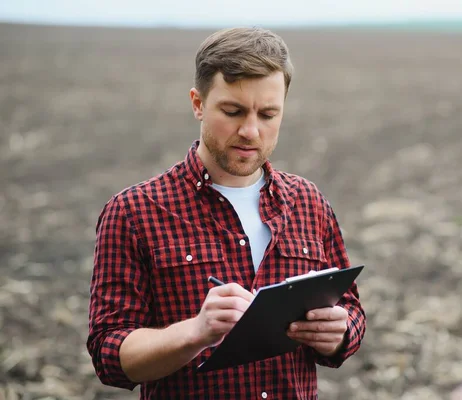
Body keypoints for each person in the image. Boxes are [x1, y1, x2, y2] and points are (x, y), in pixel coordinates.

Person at [86, 26, 366, 399]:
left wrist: (339, 332)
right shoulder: (134, 213)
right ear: (198, 103)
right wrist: (196, 332)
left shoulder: (309, 202)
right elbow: (110, 355)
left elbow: (351, 312)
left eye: (268, 114)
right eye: (233, 111)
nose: (251, 131)